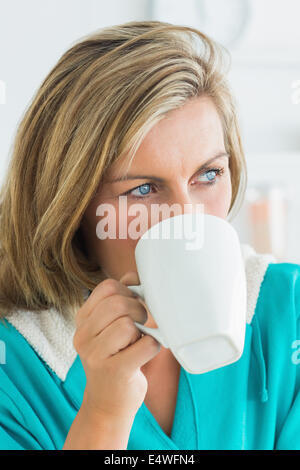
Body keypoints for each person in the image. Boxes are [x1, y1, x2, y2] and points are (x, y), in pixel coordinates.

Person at [0, 20, 299, 451]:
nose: (188, 216)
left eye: (209, 174)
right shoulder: (17, 369)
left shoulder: (288, 312)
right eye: (143, 189)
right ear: (73, 209)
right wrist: (104, 416)